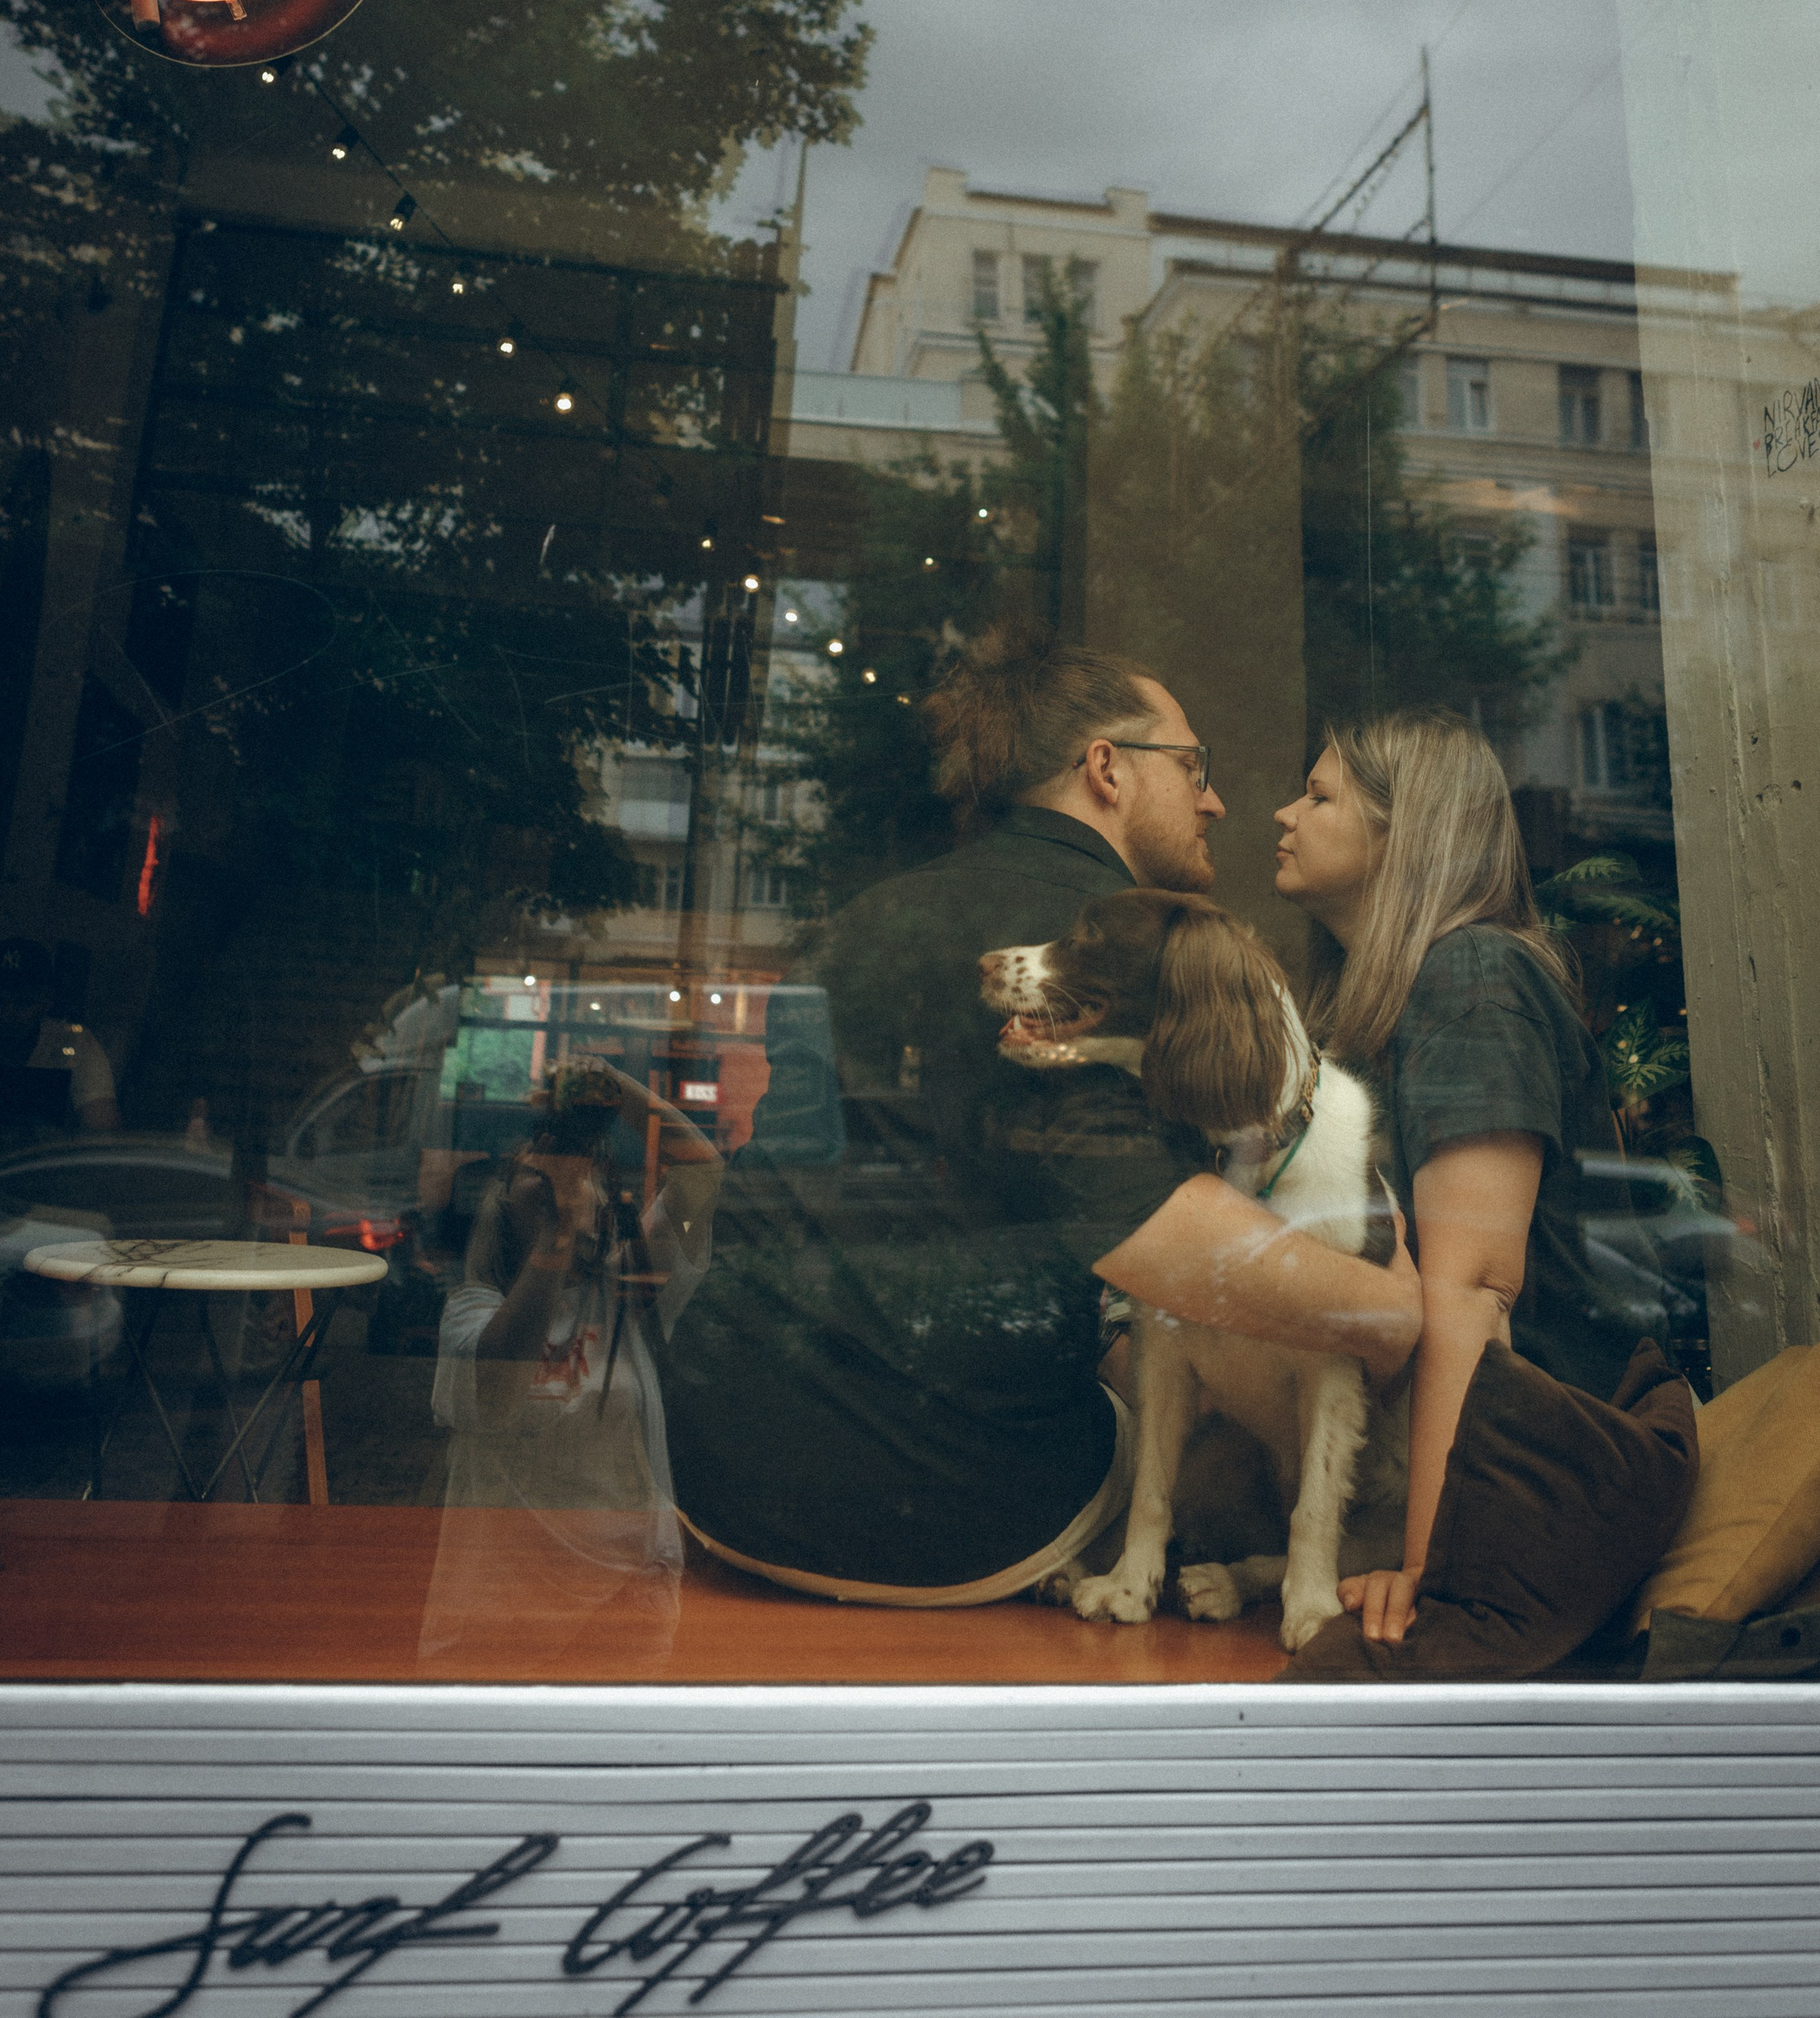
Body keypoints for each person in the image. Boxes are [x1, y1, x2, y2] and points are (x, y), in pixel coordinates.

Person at [659, 625, 1230, 1601]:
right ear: (1107, 769)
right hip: (936, 1510)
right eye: (1194, 767)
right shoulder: (1128, 947)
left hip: (710, 1461)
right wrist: (1395, 1320)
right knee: (1215, 1452)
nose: (1214, 798)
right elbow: (1144, 1230)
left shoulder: (868, 921)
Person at [1102, 707, 1638, 1651]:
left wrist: (1436, 1565)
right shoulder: (1386, 997)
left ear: (1404, 831)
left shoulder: (1476, 982)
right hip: (1411, 1459)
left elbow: (1473, 1290)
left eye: (1319, 796)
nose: (1280, 814)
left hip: (1510, 1480)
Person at [422, 1064, 720, 1670]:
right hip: (502, 1614)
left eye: (577, 1170)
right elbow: (500, 1395)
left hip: (629, 1594)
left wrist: (611, 1086)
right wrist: (557, 1238)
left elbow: (702, 1171)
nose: (560, 1182)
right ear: (500, 1203)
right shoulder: (470, 1312)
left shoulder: (626, 1290)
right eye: (537, 1172)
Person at [0, 938, 117, 1139]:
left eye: (23, 1002)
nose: (6, 1015)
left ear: (46, 1000)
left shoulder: (73, 1043)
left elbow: (103, 1132)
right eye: (1, 1001)